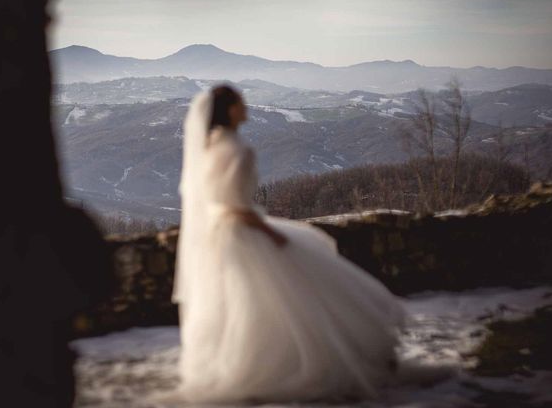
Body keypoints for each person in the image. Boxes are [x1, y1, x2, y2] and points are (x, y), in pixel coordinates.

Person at [167, 83, 408, 404]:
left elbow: (217, 203)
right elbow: (238, 206)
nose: (246, 107)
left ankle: (241, 364)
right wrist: (272, 234)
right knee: (291, 286)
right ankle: (302, 361)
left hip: (218, 236)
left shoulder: (209, 148)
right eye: (240, 103)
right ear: (229, 111)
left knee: (240, 302)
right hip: (242, 231)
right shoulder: (238, 150)